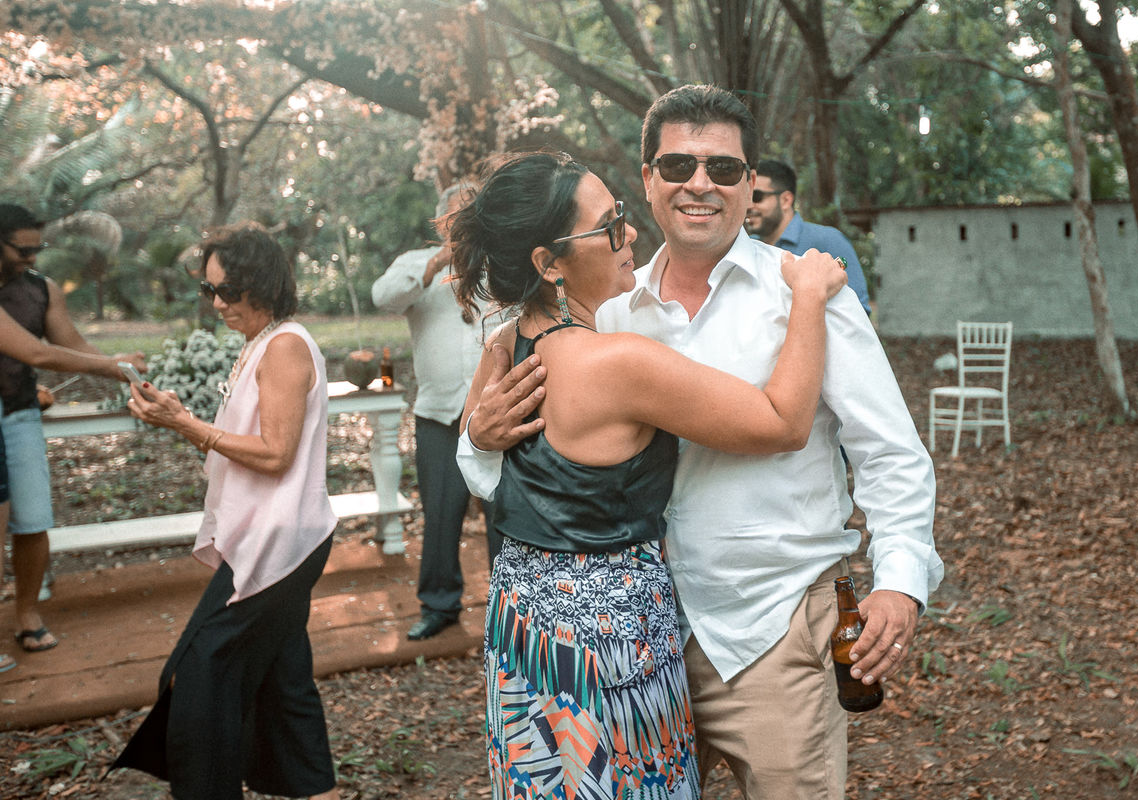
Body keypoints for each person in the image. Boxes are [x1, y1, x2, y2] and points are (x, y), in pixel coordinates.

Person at [460, 86, 943, 800]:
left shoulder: (806, 292)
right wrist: (478, 436)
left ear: (753, 186)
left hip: (773, 633)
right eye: (678, 164)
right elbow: (521, 453)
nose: (700, 183)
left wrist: (901, 582)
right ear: (648, 181)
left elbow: (890, 452)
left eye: (724, 169)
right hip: (637, 648)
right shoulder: (611, 312)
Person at [111, 223, 339, 800]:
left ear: (261, 283)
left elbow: (276, 454)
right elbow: (239, 442)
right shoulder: (260, 342)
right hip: (271, 533)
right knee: (284, 678)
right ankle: (313, 788)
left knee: (197, 675)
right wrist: (178, 415)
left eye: (227, 290)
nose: (216, 303)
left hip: (279, 543)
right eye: (209, 291)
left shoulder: (285, 346)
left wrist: (185, 424)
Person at [0, 203, 146, 655]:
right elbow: (38, 355)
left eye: (37, 247)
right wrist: (113, 369)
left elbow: (71, 345)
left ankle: (27, 613)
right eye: (22, 249)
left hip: (19, 413)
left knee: (33, 518)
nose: (32, 257)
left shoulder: (42, 291)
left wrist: (118, 364)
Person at [370, 183, 499, 641]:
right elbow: (383, 297)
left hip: (498, 414)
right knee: (441, 514)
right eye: (456, 216)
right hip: (438, 414)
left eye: (473, 215)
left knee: (504, 514)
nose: (465, 224)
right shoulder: (414, 264)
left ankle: (512, 608)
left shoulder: (503, 260)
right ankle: (440, 605)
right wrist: (440, 261)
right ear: (440, 220)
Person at [745, 158, 873, 316]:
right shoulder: (748, 248)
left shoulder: (828, 240)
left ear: (786, 200)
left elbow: (859, 310)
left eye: (757, 197)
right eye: (746, 197)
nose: (749, 205)